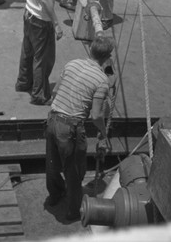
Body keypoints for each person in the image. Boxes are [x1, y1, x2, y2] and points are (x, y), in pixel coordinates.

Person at [45, 35, 114, 221]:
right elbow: (96, 115)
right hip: (70, 129)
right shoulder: (101, 80)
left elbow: (54, 92)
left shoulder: (72, 64)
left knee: (52, 164)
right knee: (73, 172)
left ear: (90, 50)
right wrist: (103, 133)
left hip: (52, 120)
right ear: (107, 57)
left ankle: (55, 195)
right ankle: (73, 211)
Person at [15, 0, 72, 105]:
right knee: (43, 59)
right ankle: (39, 95)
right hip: (41, 20)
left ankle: (24, 83)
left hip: (28, 13)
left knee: (27, 52)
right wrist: (56, 24)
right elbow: (47, 0)